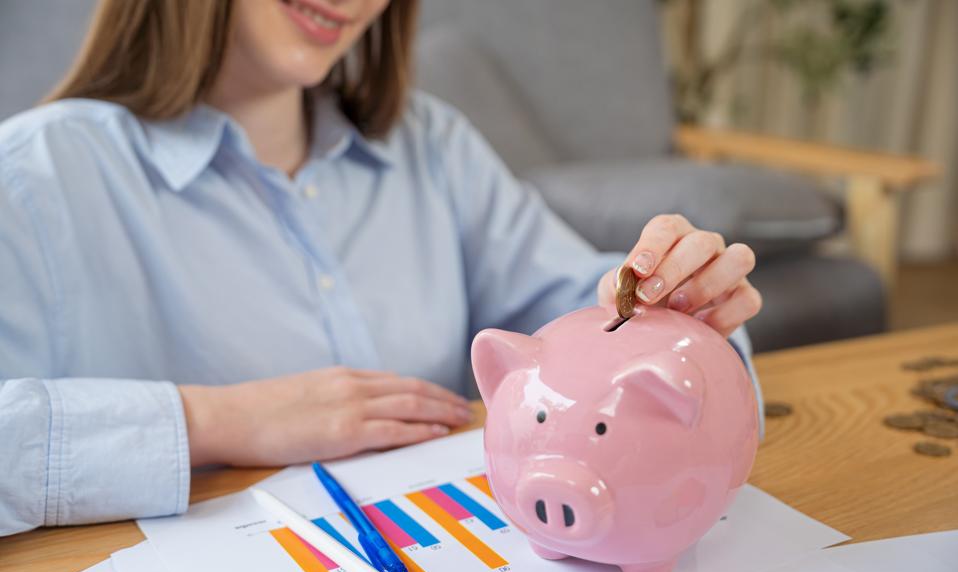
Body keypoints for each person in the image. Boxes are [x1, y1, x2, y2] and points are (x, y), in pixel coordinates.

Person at [0, 0, 761, 537]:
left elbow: (578, 309)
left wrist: (675, 318)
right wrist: (216, 422)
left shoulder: (431, 144)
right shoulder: (35, 179)